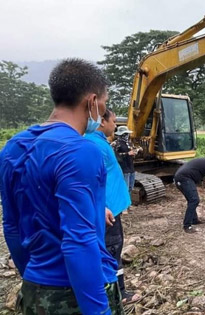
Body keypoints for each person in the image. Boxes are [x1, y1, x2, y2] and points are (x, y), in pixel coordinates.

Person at [0, 58, 123, 314]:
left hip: (35, 287)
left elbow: (11, 226)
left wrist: (34, 278)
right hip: (76, 295)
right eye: (104, 103)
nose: (102, 111)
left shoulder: (12, 148)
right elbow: (79, 239)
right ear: (91, 102)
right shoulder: (81, 151)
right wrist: (98, 310)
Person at [85, 109, 141, 306]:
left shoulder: (99, 141)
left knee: (113, 247)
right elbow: (89, 179)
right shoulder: (94, 144)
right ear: (102, 122)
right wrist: (102, 206)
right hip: (107, 210)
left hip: (111, 208)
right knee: (112, 249)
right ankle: (118, 293)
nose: (115, 126)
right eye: (114, 121)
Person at [113, 126, 138, 193]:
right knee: (124, 188)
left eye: (127, 133)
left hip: (131, 168)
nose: (127, 135)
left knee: (131, 187)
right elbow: (114, 155)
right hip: (123, 169)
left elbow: (132, 151)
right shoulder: (116, 143)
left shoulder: (129, 143)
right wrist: (127, 154)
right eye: (125, 134)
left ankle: (128, 202)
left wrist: (135, 152)